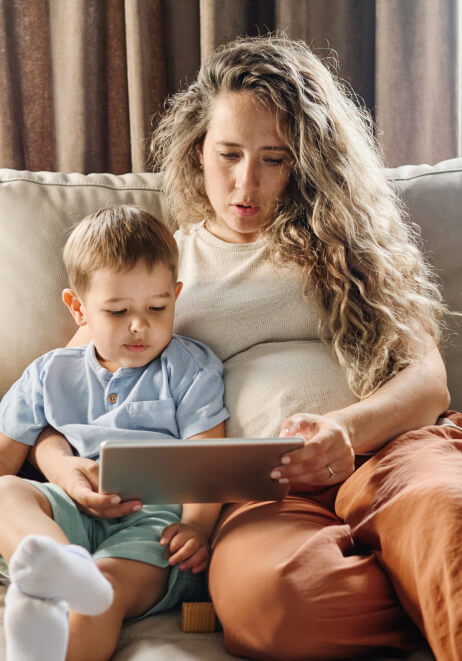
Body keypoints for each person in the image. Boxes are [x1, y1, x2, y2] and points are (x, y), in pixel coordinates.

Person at [147, 34, 462, 661]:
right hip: (261, 494)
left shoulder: (353, 241)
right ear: (196, 151)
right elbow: (64, 376)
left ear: (310, 160)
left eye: (275, 158)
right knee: (277, 605)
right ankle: (420, 582)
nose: (246, 183)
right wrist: (55, 459)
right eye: (229, 154)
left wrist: (343, 429)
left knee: (444, 519)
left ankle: (425, 562)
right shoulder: (161, 263)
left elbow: (430, 382)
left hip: (391, 455)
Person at [0, 205, 228, 661]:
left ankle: (75, 589)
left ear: (176, 296)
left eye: (157, 307)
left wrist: (197, 528)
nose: (140, 325)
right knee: (6, 491)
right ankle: (60, 566)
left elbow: (207, 463)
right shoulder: (49, 373)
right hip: (68, 514)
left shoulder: (190, 367)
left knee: (101, 591)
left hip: (153, 523)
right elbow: (4, 462)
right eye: (118, 310)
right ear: (78, 308)